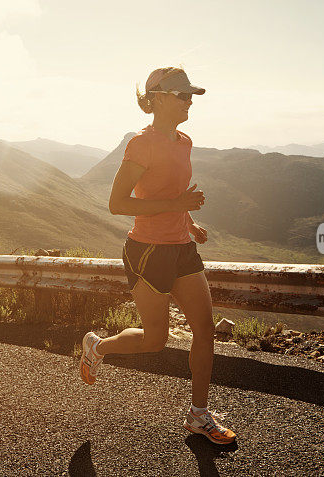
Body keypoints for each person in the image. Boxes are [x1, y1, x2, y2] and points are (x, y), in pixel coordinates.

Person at [79, 67, 236, 444]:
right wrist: (178, 204)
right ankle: (98, 346)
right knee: (155, 341)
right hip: (147, 252)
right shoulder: (142, 144)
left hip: (182, 248)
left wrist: (187, 218)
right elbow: (118, 204)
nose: (189, 101)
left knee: (204, 330)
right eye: (183, 95)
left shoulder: (184, 141)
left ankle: (199, 415)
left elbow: (169, 193)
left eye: (191, 95)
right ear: (159, 98)